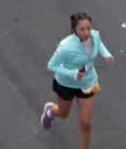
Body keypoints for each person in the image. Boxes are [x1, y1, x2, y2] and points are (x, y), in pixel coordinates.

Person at [40, 12, 114, 149]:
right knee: (63, 114)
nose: (87, 32)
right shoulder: (66, 47)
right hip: (66, 84)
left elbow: (99, 44)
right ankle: (50, 111)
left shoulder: (95, 35)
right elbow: (51, 65)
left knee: (85, 123)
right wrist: (73, 73)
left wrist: (106, 55)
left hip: (87, 82)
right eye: (82, 29)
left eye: (88, 28)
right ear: (74, 30)